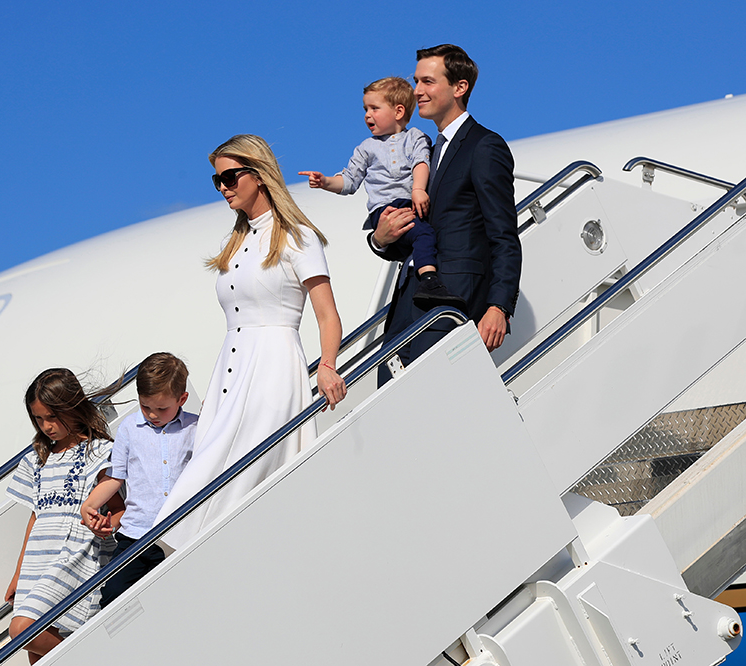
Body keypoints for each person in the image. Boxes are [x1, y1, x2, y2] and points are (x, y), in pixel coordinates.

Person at [152, 134, 347, 551]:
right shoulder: (235, 243)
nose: (222, 187)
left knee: (238, 475)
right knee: (207, 470)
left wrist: (328, 364)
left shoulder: (297, 237)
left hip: (273, 368)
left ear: (258, 175)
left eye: (229, 177)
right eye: (215, 180)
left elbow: (327, 314)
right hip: (231, 371)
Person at [370, 45, 521, 383]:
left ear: (459, 87)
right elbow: (421, 230)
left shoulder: (484, 146)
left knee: (432, 398)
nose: (417, 91)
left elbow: (504, 235)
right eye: (415, 81)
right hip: (409, 297)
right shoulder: (423, 149)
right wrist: (380, 240)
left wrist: (499, 307)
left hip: (454, 298)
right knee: (390, 403)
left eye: (427, 81)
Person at [299, 76, 465, 312]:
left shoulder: (415, 137)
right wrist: (325, 181)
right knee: (424, 233)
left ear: (398, 112)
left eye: (375, 108)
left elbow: (421, 162)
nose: (367, 115)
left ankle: (423, 276)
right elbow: (349, 181)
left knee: (426, 232)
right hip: (385, 210)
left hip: (411, 203)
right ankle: (428, 280)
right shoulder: (366, 147)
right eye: (365, 109)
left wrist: (418, 190)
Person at [4, 368, 124, 664]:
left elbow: (119, 507)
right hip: (38, 558)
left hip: (75, 554)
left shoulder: (98, 452)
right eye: (39, 419)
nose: (46, 426)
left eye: (52, 416)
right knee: (37, 655)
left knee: (22, 630)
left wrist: (106, 527)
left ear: (72, 407)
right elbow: (35, 518)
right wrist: (19, 573)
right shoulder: (35, 460)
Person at [79, 352, 198, 607]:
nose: (152, 414)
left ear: (182, 399)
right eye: (145, 406)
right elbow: (115, 477)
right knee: (113, 597)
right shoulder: (129, 428)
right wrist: (88, 506)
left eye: (162, 408)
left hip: (183, 532)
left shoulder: (196, 428)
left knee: (180, 598)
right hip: (137, 535)